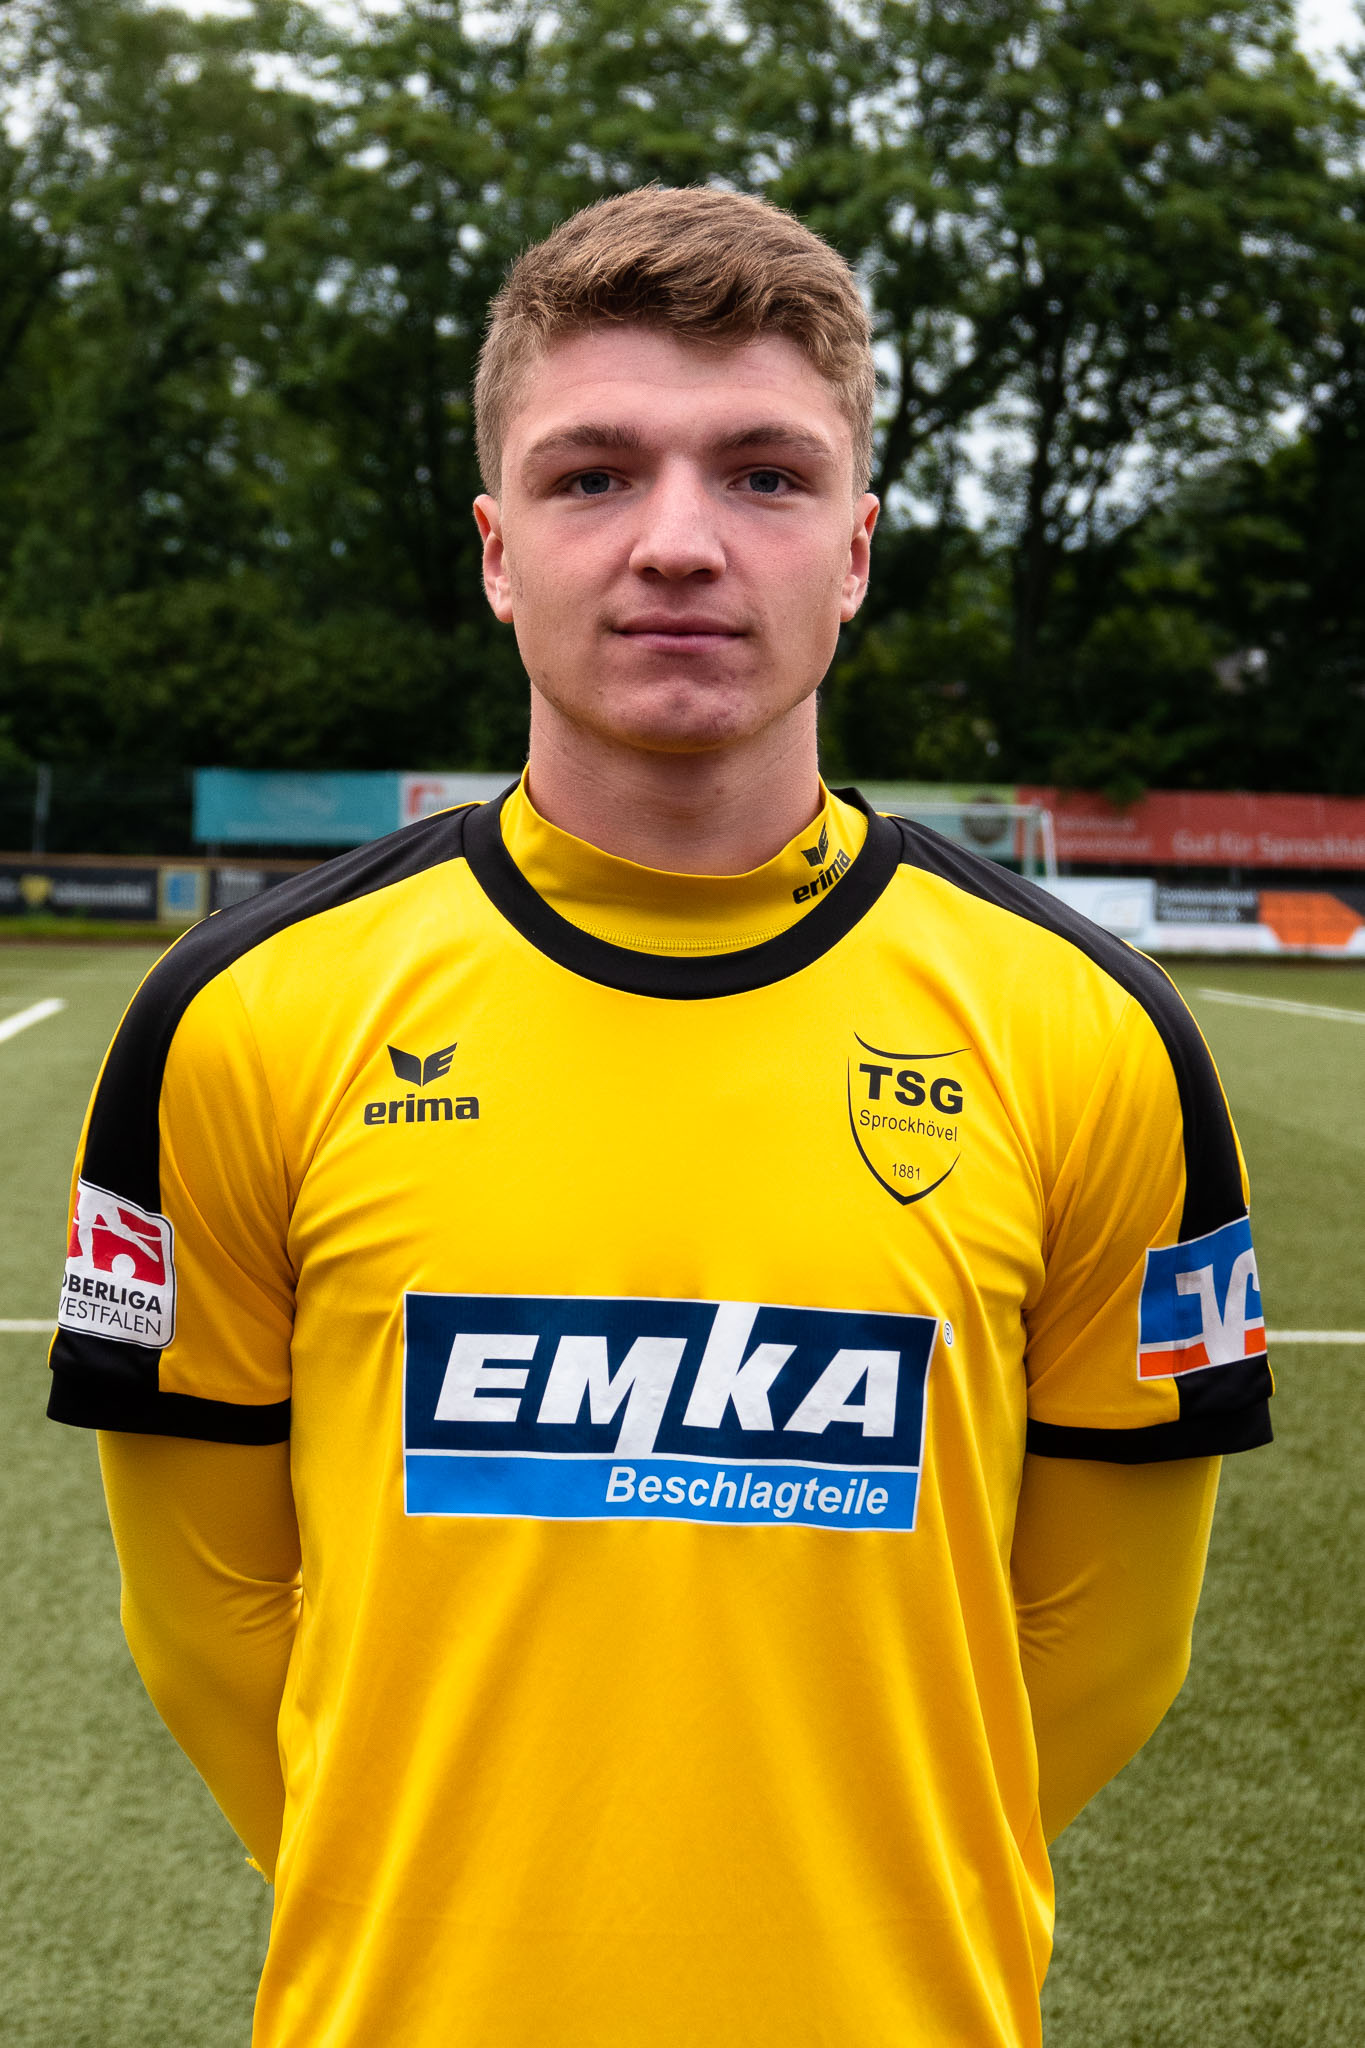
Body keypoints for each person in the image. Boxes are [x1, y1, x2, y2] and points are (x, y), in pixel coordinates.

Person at [48, 186, 1272, 2048]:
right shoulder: (234, 1018)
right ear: (496, 548)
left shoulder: (1096, 1034)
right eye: (593, 475)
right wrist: (462, 1909)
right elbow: (206, 1615)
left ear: (854, 550)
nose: (679, 543)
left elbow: (1106, 1644)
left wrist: (832, 1905)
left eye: (766, 477)